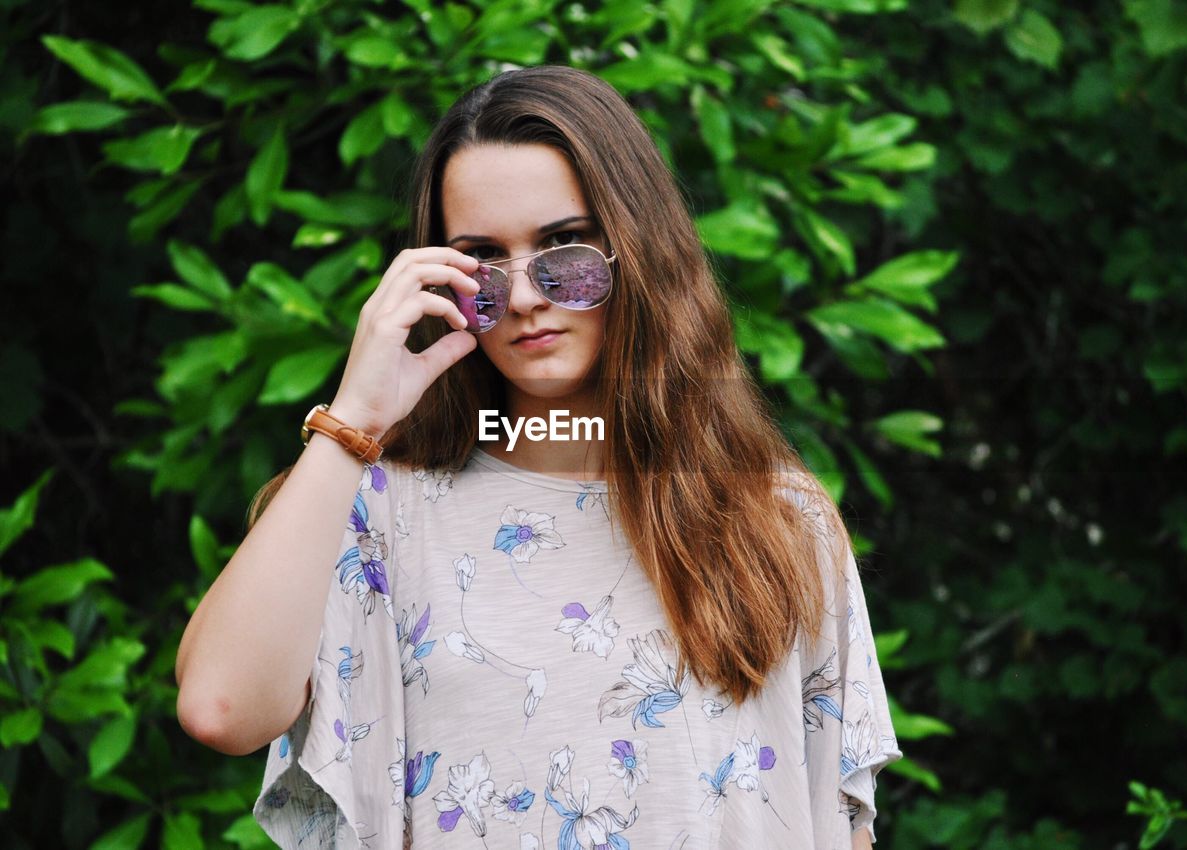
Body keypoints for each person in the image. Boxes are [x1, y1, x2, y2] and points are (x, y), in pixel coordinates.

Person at [175, 65, 901, 850]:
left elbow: (840, 824)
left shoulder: (778, 516)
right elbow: (221, 710)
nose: (523, 297)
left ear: (640, 252)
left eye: (565, 248)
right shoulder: (373, 508)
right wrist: (354, 419)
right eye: (482, 261)